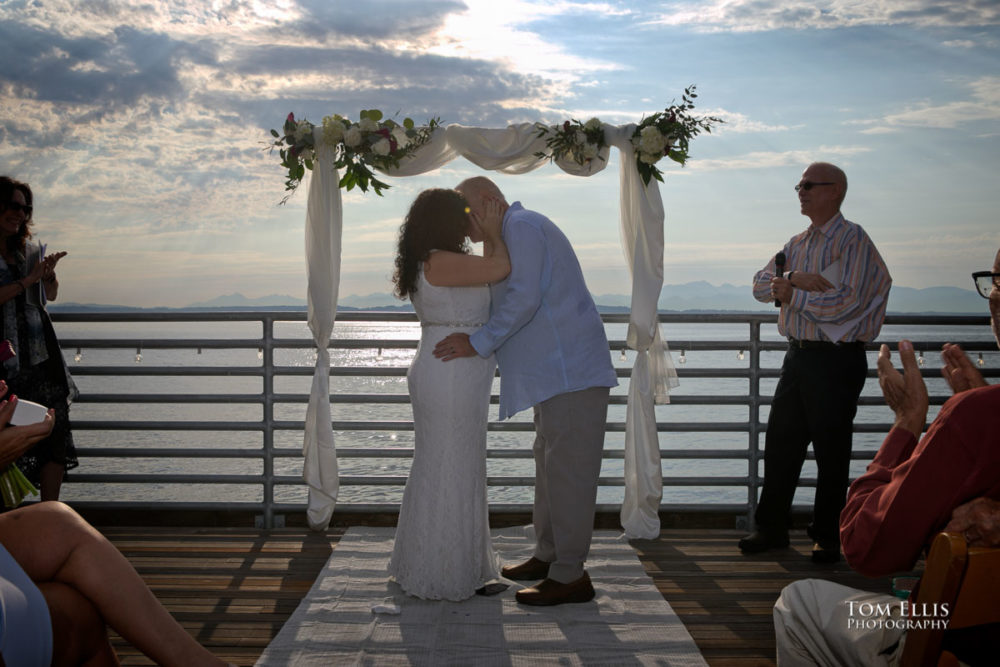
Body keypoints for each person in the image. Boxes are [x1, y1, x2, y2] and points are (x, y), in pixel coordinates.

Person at [772, 247, 1000, 665]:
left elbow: (864, 547)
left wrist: (908, 422)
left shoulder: (978, 418)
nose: (992, 296)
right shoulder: (983, 415)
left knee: (797, 602)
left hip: (943, 629)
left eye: (998, 282)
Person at [433, 176, 617, 606]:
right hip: (554, 374)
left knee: (569, 475)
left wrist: (476, 344)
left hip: (569, 370)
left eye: (466, 214)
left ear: (488, 201)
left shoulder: (522, 227)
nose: (464, 228)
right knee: (551, 468)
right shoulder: (511, 232)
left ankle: (570, 574)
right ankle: (549, 556)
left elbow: (524, 298)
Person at [741, 162, 892, 563]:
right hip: (799, 356)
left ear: (835, 191)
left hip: (837, 360)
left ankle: (828, 536)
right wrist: (792, 275)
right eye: (799, 185)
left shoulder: (853, 240)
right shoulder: (797, 243)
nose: (801, 191)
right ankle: (771, 528)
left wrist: (792, 294)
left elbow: (849, 303)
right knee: (781, 445)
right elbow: (759, 285)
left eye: (809, 185)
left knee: (831, 451)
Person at [387, 188, 510, 601]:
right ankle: (447, 570)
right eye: (463, 213)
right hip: (451, 373)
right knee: (450, 464)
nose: (468, 218)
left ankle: (448, 562)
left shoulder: (436, 260)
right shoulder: (441, 261)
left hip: (453, 371)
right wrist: (493, 231)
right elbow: (502, 267)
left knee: (450, 463)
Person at [0, 176, 76, 501]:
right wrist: (25, 281)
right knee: (10, 434)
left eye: (25, 208)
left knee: (54, 428)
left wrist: (48, 277)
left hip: (40, 354)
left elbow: (51, 296)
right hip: (5, 362)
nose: (20, 214)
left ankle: (49, 512)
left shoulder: (29, 251)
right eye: (14, 206)